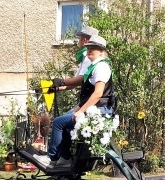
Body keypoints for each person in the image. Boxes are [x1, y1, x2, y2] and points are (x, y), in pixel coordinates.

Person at [34, 35, 115, 168]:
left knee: (58, 123)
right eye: (88, 47)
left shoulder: (101, 67)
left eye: (93, 48)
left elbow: (98, 93)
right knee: (64, 122)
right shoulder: (93, 67)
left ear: (101, 51)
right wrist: (58, 87)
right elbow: (80, 83)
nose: (89, 50)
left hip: (99, 111)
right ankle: (64, 158)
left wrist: (80, 111)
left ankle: (52, 158)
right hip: (94, 109)